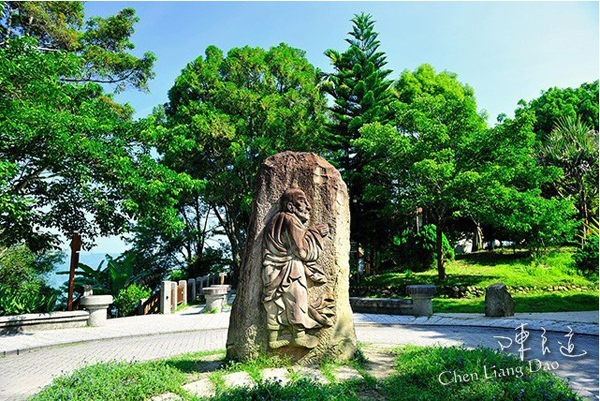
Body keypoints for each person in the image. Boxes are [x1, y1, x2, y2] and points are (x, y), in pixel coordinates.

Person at [262, 187, 330, 349]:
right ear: (291, 206)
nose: (308, 206)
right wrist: (315, 234)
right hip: (289, 269)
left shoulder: (275, 219)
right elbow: (302, 251)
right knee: (296, 298)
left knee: (274, 301)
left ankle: (273, 338)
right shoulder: (291, 220)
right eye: (302, 201)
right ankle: (299, 336)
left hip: (270, 268)